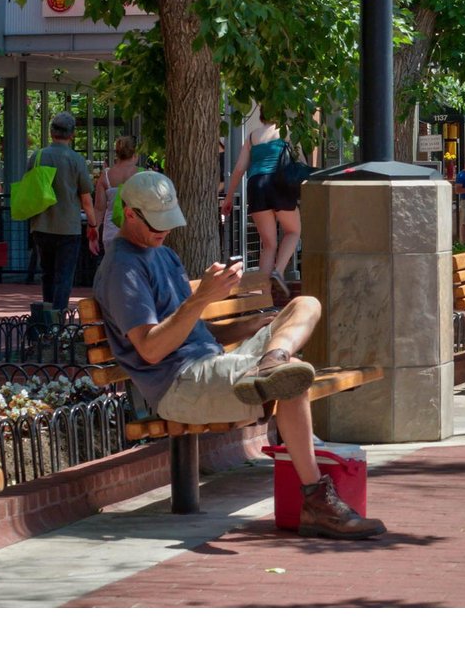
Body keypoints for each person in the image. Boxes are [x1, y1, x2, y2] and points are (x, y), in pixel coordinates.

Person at [94, 171, 384, 540]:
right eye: (155, 223)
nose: (163, 231)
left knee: (304, 304)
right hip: (179, 385)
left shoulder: (163, 254)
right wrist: (201, 298)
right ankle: (316, 501)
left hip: (207, 364)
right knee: (292, 378)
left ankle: (272, 358)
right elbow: (151, 349)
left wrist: (252, 328)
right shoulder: (123, 267)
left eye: (167, 222)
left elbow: (193, 333)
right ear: (129, 213)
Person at [221, 106, 300, 297]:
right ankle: (278, 271)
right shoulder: (286, 132)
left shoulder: (251, 137)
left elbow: (239, 168)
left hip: (256, 186)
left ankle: (264, 300)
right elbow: (299, 164)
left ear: (261, 115)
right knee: (294, 230)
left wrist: (229, 197)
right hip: (278, 183)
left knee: (268, 244)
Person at [29, 112, 96, 313]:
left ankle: (47, 320)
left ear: (51, 132)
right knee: (64, 276)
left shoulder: (37, 156)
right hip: (68, 228)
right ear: (72, 134)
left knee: (47, 274)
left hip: (41, 225)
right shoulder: (76, 160)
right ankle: (59, 321)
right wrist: (93, 225)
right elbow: (86, 199)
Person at [93, 135, 139, 252]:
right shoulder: (142, 175)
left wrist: (95, 230)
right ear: (135, 153)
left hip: (111, 231)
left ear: (117, 154)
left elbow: (99, 209)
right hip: (136, 230)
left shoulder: (106, 177)